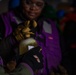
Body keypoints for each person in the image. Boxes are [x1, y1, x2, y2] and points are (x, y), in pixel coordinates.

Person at [0, 0, 62, 75]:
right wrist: (12, 39)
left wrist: (67, 69)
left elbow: (65, 54)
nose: (33, 8)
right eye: (28, 2)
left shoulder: (51, 25)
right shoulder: (4, 21)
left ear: (44, 5)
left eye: (38, 4)